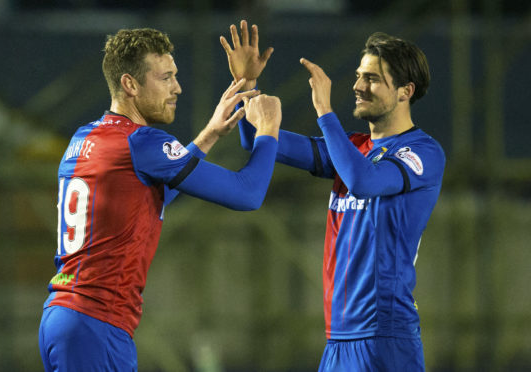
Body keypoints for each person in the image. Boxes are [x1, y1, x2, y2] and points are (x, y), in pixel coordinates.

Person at [38, 27, 282, 371]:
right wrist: (269, 130)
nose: (177, 88)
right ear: (130, 85)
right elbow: (247, 193)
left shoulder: (85, 137)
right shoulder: (143, 143)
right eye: (166, 77)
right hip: (97, 323)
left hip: (62, 318)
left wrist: (210, 134)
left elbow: (149, 195)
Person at [221, 20, 445, 371]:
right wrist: (248, 84)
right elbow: (260, 139)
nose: (357, 86)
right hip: (338, 340)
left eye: (372, 78)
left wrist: (324, 111)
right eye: (359, 75)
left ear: (405, 90)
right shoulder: (352, 147)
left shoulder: (423, 152)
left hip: (384, 337)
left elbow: (364, 181)